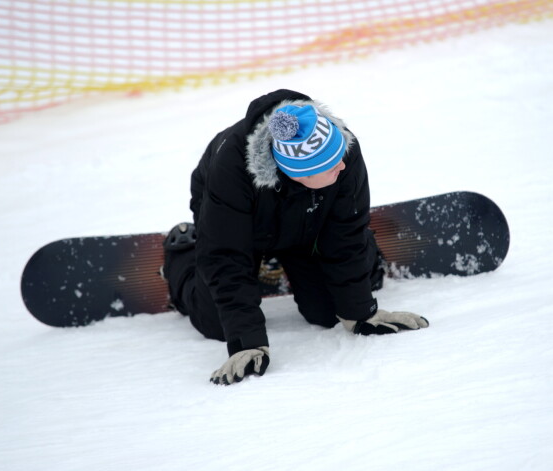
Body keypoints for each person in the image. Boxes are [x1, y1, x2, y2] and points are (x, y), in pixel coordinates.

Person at [162, 89, 428, 385]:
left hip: (308, 217)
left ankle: (347, 258)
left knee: (328, 313)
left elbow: (346, 231)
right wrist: (247, 341)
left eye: (339, 156)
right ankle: (183, 255)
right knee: (216, 325)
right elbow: (226, 254)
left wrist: (360, 311)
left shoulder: (342, 148)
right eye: (330, 165)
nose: (342, 164)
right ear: (298, 171)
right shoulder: (231, 168)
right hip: (241, 223)